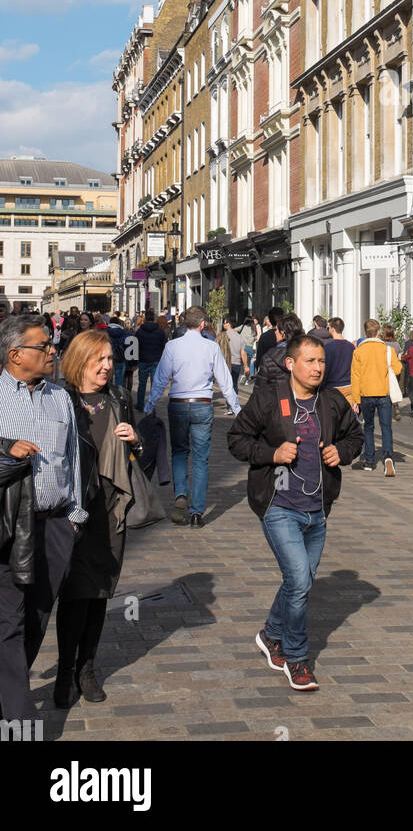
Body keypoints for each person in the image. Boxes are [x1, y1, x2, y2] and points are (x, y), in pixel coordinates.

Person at [227, 333, 363, 691]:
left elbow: (356, 437)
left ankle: (271, 635)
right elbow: (237, 439)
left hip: (317, 509)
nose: (318, 367)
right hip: (278, 505)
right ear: (291, 363)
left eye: (321, 361)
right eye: (310, 361)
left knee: (297, 582)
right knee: (301, 581)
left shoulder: (332, 401)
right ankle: (297, 658)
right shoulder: (269, 398)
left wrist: (341, 453)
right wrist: (272, 454)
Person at [0, 313, 87, 722]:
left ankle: (7, 692)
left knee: (35, 619)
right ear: (16, 354)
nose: (54, 351)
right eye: (44, 346)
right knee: (9, 623)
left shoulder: (60, 397)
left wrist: (74, 518)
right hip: (9, 526)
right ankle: (19, 723)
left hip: (55, 526)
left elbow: (73, 459)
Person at [54, 329, 140, 707]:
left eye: (110, 359)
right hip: (73, 511)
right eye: (99, 360)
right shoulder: (61, 400)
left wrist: (136, 440)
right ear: (80, 361)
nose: (107, 366)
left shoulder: (119, 398)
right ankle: (65, 670)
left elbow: (141, 458)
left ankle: (86, 670)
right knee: (75, 595)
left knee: (100, 593)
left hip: (110, 510)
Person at [142, 306, 241, 528]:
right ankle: (197, 512)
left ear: (186, 323)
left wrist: (150, 405)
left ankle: (180, 495)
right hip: (202, 405)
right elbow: (225, 381)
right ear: (203, 324)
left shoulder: (172, 346)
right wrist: (237, 410)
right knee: (200, 458)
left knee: (178, 452)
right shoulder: (211, 347)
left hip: (178, 404)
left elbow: (160, 379)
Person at [350, 320, 397, 476]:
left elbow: (355, 376)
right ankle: (388, 456)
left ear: (366, 333)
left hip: (366, 394)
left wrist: (355, 399)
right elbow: (398, 369)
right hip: (383, 393)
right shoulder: (387, 349)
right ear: (378, 332)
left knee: (368, 427)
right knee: (386, 427)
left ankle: (369, 461)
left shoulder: (358, 351)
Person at [135, 308, 166, 414]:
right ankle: (152, 405)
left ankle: (140, 404)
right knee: (154, 384)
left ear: (145, 319)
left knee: (142, 384)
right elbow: (164, 346)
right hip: (156, 360)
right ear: (153, 318)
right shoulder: (160, 331)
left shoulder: (140, 331)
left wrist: (136, 359)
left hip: (143, 360)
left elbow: (136, 346)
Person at [323, 318, 353, 403]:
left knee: (333, 415)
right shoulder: (351, 346)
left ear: (332, 328)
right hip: (349, 386)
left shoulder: (328, 347)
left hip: (333, 387)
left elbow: (326, 368)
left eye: (328, 327)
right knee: (349, 415)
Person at [222, 317, 245, 417]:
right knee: (234, 385)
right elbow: (242, 352)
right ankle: (235, 406)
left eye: (224, 323)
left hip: (226, 363)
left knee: (228, 386)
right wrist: (246, 366)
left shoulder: (223, 336)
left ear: (228, 324)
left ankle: (229, 407)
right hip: (237, 363)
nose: (223, 325)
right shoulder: (239, 337)